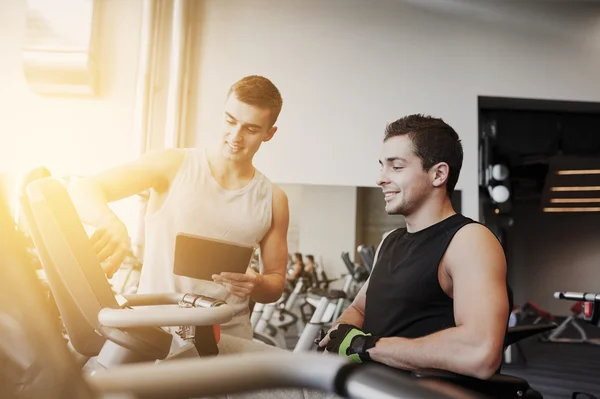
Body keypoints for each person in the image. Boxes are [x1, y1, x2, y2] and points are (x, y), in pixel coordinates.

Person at [68, 75, 290, 342]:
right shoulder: (172, 164)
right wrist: (111, 223)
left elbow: (275, 283)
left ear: (269, 133)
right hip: (157, 331)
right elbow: (84, 189)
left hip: (227, 338)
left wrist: (258, 284)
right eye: (230, 121)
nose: (235, 137)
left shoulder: (273, 199)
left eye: (251, 129)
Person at [318, 114, 510, 381]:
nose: (380, 179)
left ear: (438, 174)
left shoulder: (469, 240)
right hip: (364, 386)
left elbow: (479, 351)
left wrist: (365, 346)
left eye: (396, 167)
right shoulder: (390, 241)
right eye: (382, 166)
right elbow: (360, 309)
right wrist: (341, 334)